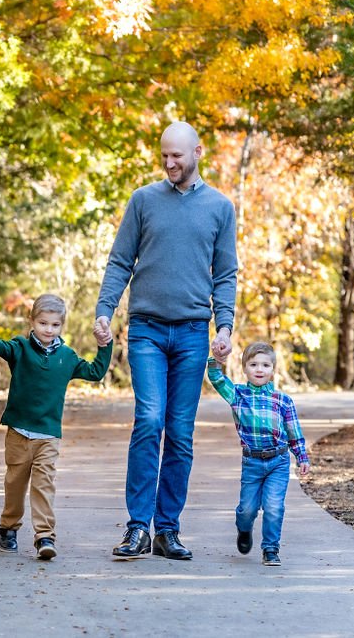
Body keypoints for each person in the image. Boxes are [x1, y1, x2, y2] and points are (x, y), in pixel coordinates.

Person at [94, 121, 238, 560]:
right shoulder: (143, 201)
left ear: (198, 152)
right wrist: (104, 310)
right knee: (149, 420)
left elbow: (226, 273)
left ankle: (167, 530)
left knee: (179, 433)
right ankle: (138, 527)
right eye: (164, 157)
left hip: (195, 332)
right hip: (147, 330)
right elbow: (120, 261)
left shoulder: (220, 207)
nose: (170, 163)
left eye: (177, 155)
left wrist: (225, 325)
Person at [0, 292, 112, 560]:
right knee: (14, 484)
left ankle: (44, 537)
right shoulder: (19, 349)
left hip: (48, 435)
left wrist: (104, 345)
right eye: (43, 323)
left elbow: (95, 372)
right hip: (18, 431)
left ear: (62, 325)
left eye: (55, 325)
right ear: (32, 321)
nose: (48, 329)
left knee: (44, 484)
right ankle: (9, 528)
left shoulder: (67, 357)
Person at [207, 341, 310, 566]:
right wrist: (216, 358)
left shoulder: (283, 401)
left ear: (273, 370)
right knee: (247, 509)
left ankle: (271, 549)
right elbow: (216, 378)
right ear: (244, 368)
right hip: (252, 462)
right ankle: (244, 529)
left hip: (279, 461)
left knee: (274, 507)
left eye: (265, 365)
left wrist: (301, 456)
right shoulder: (237, 395)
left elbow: (294, 431)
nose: (259, 369)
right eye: (253, 364)